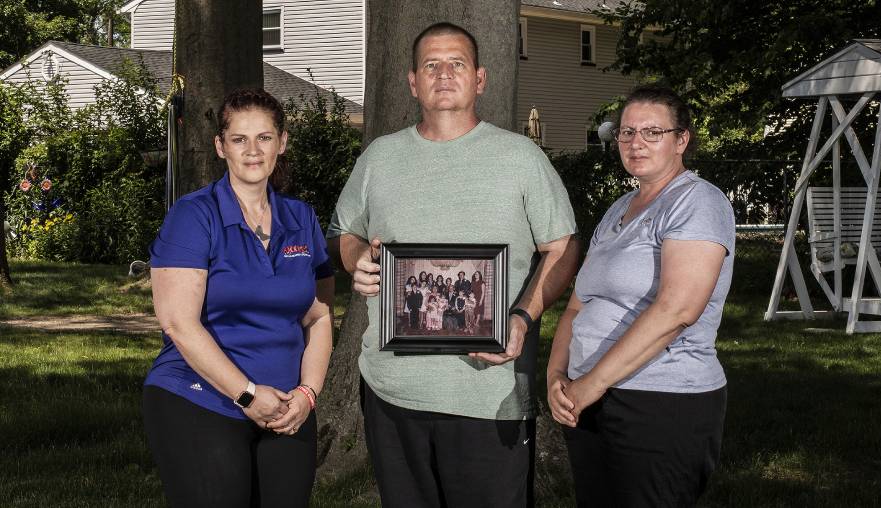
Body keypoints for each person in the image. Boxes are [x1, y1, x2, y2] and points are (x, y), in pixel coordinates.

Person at [328, 21, 578, 508]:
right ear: (413, 82)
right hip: (392, 389)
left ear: (480, 79)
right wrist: (356, 258)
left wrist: (523, 318)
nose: (444, 74)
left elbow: (563, 247)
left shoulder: (520, 157)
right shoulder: (379, 157)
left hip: (488, 394)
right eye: (431, 65)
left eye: (457, 64)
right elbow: (347, 232)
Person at [142, 89, 334, 508]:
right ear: (220, 146)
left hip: (287, 407)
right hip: (201, 397)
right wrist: (247, 394)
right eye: (239, 139)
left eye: (264, 138)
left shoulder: (301, 218)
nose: (252, 150)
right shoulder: (194, 216)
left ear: (281, 143)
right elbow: (178, 323)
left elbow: (319, 316)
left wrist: (307, 394)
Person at [547, 85, 734, 508]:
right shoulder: (620, 208)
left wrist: (590, 385)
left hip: (661, 401)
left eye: (652, 132)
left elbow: (677, 309)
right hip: (589, 398)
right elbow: (578, 305)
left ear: (681, 140)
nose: (635, 143)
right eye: (627, 132)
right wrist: (557, 376)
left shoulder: (697, 201)